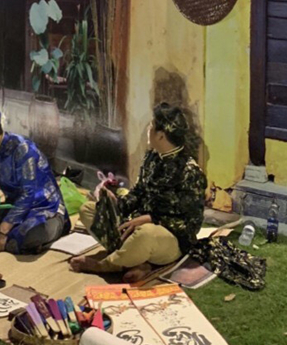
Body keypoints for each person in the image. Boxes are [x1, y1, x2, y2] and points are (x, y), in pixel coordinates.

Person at [71, 102, 207, 282]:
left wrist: (152, 219)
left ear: (161, 135)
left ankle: (106, 265)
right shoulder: (152, 157)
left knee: (145, 234)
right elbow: (139, 192)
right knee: (89, 210)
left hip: (168, 239)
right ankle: (138, 262)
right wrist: (117, 203)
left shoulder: (190, 172)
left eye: (151, 126)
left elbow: (191, 225)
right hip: (136, 225)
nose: (148, 130)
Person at [0, 105, 70, 254]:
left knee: (35, 233)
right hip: (13, 207)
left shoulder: (23, 149)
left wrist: (3, 229)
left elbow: (28, 194)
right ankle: (13, 241)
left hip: (44, 209)